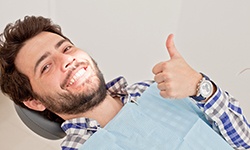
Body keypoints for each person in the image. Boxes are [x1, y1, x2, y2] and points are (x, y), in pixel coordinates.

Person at [0, 16, 249, 150]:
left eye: (66, 48)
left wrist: (201, 87)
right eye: (46, 66)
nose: (67, 60)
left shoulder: (156, 89)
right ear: (33, 101)